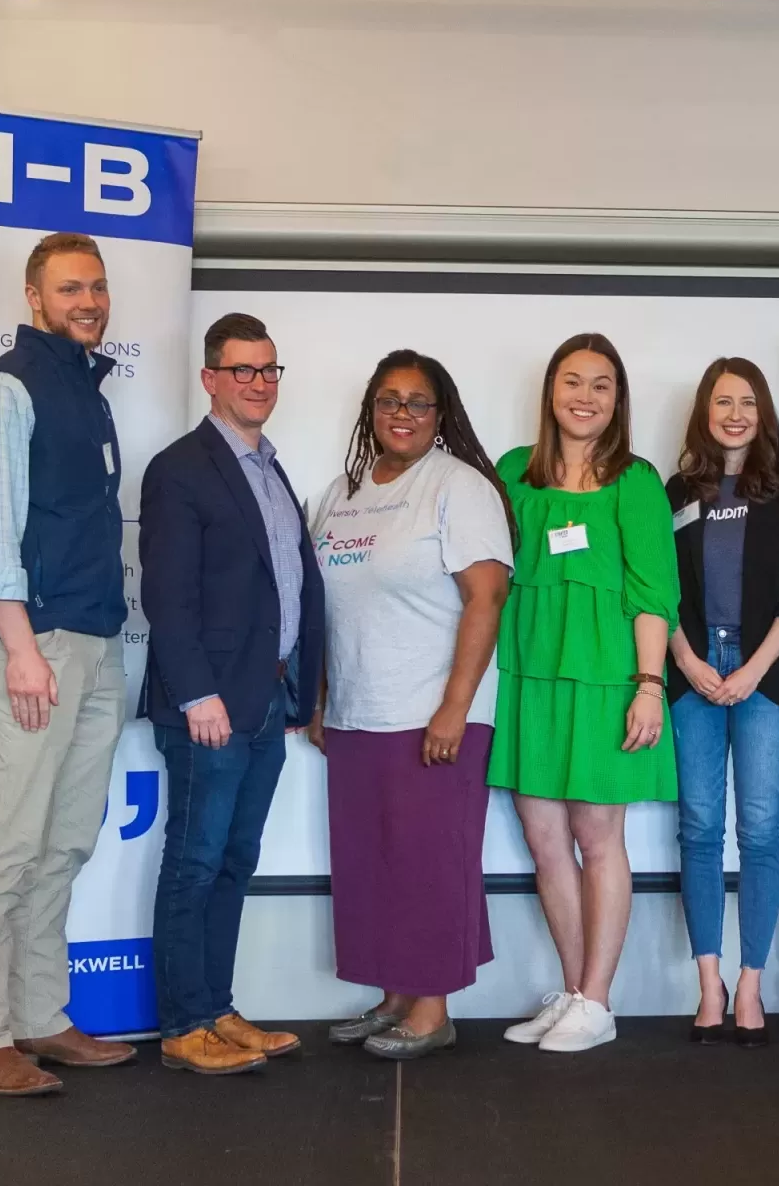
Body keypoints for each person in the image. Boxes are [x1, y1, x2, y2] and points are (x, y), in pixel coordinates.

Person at [0, 233, 137, 1096]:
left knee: (63, 841)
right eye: (70, 288)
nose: (89, 301)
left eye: (98, 286)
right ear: (33, 298)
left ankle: (37, 1016)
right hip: (32, 647)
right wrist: (22, 650)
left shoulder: (88, 393)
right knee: (8, 842)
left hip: (96, 644)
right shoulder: (2, 391)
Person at [307, 350, 514, 1061]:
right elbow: (331, 608)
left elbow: (486, 599)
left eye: (418, 402)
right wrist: (323, 697)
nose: (402, 412)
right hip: (356, 713)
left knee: (428, 860)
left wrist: (454, 708)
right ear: (371, 409)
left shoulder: (460, 488)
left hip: (432, 713)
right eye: (389, 400)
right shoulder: (341, 493)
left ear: (440, 414)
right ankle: (394, 996)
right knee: (372, 860)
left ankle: (432, 1009)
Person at [139, 314, 325, 1075]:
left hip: (264, 705)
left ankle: (216, 1007)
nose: (258, 383)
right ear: (211, 377)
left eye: (269, 370)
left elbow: (288, 590)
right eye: (243, 370)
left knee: (233, 861)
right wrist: (198, 696)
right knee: (194, 861)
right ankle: (184, 1025)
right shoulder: (181, 467)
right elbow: (168, 596)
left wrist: (297, 690)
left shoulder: (271, 469)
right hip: (209, 709)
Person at [489, 333, 679, 1054]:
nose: (586, 397)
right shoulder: (513, 472)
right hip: (529, 675)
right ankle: (574, 993)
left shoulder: (635, 480)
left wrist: (649, 686)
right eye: (574, 381)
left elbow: (653, 592)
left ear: (618, 400)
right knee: (545, 842)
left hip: (608, 680)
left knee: (598, 841)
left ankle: (599, 1000)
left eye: (602, 385)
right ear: (550, 391)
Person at [665, 358, 779, 1047]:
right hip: (693, 668)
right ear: (704, 411)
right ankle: (709, 985)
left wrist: (753, 669)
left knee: (758, 831)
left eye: (747, 402)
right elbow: (657, 590)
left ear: (763, 412)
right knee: (699, 828)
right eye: (722, 402)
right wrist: (688, 661)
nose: (735, 414)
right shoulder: (675, 491)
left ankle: (751, 984)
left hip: (766, 672)